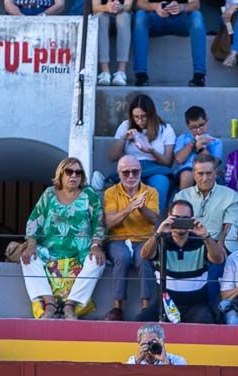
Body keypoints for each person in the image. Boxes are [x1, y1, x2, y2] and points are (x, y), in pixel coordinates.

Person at [20, 157, 106, 320]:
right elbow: (34, 221)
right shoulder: (49, 194)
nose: (74, 176)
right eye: (69, 171)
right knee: (27, 259)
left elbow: (99, 222)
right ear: (61, 174)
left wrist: (96, 245)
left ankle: (70, 305)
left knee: (96, 262)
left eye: (78, 172)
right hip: (49, 251)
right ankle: (49, 303)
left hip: (81, 251)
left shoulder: (89, 194)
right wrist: (31, 244)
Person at [137, 199, 227, 324]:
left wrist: (206, 236)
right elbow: (144, 255)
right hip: (165, 304)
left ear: (191, 219)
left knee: (205, 320)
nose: (180, 222)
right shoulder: (161, 240)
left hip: (196, 306)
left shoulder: (201, 241)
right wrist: (158, 233)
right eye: (176, 218)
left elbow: (218, 259)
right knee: (140, 321)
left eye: (185, 218)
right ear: (169, 217)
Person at [103, 154, 159, 321]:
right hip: (118, 238)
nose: (131, 176)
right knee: (122, 257)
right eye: (126, 173)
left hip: (144, 239)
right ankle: (117, 307)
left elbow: (155, 219)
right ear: (119, 173)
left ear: (141, 172)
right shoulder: (110, 193)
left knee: (144, 258)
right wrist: (129, 208)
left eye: (135, 172)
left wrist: (141, 208)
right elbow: (110, 222)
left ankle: (146, 307)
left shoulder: (151, 192)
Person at [108, 94, 175, 213]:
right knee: (129, 188)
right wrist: (123, 138)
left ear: (151, 114)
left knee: (160, 185)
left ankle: (153, 224)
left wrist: (151, 151)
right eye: (136, 117)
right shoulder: (125, 126)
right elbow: (112, 157)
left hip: (157, 168)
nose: (140, 120)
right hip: (132, 167)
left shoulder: (165, 129)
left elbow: (168, 162)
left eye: (144, 116)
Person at [173, 153, 238, 256]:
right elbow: (176, 225)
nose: (205, 178)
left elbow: (229, 225)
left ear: (215, 173)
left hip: (217, 242)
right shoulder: (181, 196)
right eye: (200, 173)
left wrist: (219, 246)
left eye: (209, 173)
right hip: (188, 243)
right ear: (194, 174)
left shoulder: (230, 195)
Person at [132, 0, 207, 87]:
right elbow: (140, 3)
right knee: (140, 15)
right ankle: (141, 75)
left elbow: (196, 4)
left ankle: (199, 75)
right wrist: (155, 6)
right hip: (156, 20)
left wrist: (181, 7)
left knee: (196, 16)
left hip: (180, 21)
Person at [172, 106, 222, 190]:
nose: (198, 130)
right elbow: (179, 159)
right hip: (186, 172)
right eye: (194, 127)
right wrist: (193, 144)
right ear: (188, 125)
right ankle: (183, 201)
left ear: (207, 121)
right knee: (187, 175)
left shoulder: (215, 142)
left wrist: (201, 148)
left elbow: (214, 163)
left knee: (208, 175)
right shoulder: (183, 138)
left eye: (201, 125)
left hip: (207, 170)